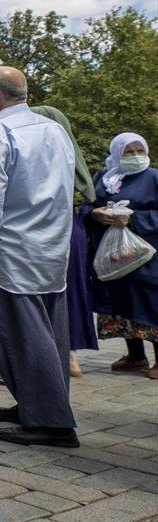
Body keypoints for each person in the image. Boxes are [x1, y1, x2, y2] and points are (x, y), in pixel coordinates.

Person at [0, 66, 79, 447]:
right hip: (51, 246)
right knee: (49, 334)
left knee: (20, 335)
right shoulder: (54, 130)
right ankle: (39, 401)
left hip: (11, 252)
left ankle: (50, 420)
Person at [31, 106, 99, 377]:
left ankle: (52, 357)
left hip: (42, 229)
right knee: (64, 293)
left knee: (36, 295)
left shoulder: (42, 154)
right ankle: (67, 355)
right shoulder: (68, 154)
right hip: (68, 228)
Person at [86, 132, 158, 379]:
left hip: (146, 255)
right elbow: (87, 205)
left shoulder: (154, 178)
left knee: (150, 303)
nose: (136, 156)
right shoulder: (104, 178)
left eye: (140, 151)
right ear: (117, 153)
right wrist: (96, 213)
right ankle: (135, 356)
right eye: (129, 152)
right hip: (113, 255)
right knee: (121, 302)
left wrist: (134, 218)